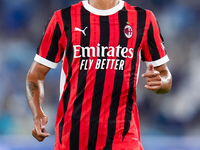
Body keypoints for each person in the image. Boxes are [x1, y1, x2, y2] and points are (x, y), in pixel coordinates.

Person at [26, 0, 172, 149]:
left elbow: (164, 74)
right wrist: (38, 114)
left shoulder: (143, 19)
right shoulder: (63, 19)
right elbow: (35, 75)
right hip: (73, 138)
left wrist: (161, 83)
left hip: (123, 137)